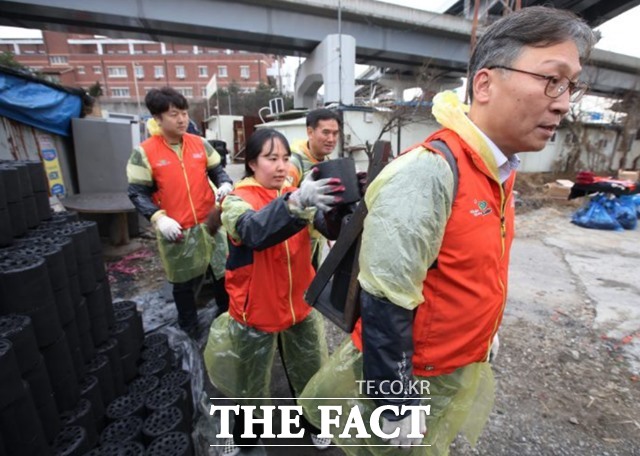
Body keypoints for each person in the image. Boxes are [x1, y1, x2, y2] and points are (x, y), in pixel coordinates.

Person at [300, 6, 596, 455]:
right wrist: (393, 403)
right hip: (415, 375)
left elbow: (468, 269)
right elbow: (384, 299)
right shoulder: (430, 172)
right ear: (485, 83)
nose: (563, 101)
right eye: (551, 80)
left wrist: (484, 329)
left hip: (454, 361)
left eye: (571, 85)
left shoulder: (499, 169)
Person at [203, 128, 345, 455]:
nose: (281, 166)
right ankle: (245, 437)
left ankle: (314, 425)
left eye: (284, 158)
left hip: (299, 304)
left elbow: (324, 227)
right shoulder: (236, 201)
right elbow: (254, 231)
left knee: (310, 370)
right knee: (250, 383)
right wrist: (294, 203)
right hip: (257, 309)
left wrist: (343, 203)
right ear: (252, 163)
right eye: (271, 158)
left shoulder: (295, 192)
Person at [126, 87, 233, 337]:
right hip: (177, 228)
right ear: (158, 118)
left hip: (210, 223)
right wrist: (158, 218)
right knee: (183, 283)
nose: (182, 119)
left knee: (221, 273)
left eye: (184, 113)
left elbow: (217, 170)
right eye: (174, 114)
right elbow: (137, 192)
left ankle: (227, 317)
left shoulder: (199, 144)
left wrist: (225, 183)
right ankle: (189, 327)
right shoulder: (145, 152)